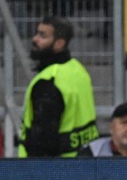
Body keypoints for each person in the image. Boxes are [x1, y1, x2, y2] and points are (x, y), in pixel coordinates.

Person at [18, 16, 99, 157]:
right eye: (37, 33)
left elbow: (42, 144)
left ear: (59, 43)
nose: (35, 39)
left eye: (42, 36)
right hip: (85, 163)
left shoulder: (49, 81)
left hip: (56, 172)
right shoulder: (78, 69)